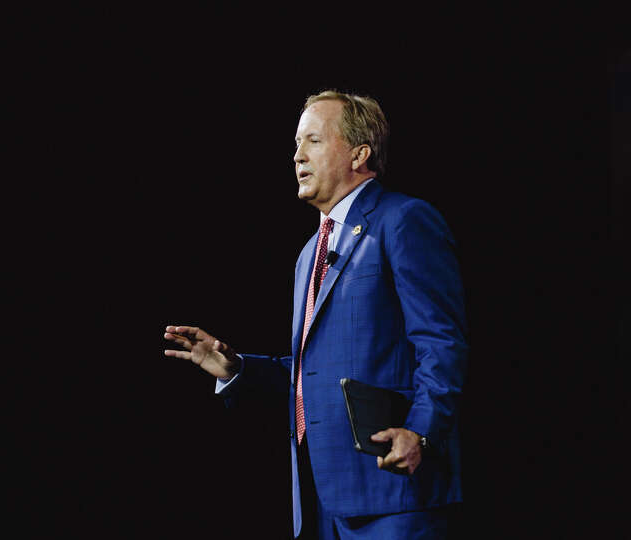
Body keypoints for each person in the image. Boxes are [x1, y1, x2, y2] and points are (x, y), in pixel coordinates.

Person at [164, 90, 468, 539]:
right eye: (295, 144)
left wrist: (420, 434)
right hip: (321, 498)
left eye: (313, 142)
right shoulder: (310, 253)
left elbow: (441, 342)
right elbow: (317, 370)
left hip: (393, 491)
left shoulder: (402, 221)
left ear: (359, 154)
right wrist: (237, 369)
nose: (296, 156)